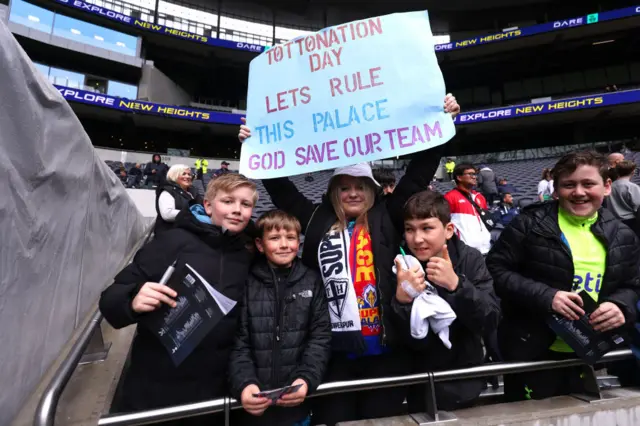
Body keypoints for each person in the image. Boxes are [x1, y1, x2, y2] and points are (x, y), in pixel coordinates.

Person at [238, 94, 460, 426]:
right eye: (344, 187)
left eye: (360, 186)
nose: (353, 193)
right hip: (332, 354)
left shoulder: (389, 215)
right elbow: (281, 189)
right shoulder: (314, 219)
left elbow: (416, 177)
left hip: (386, 352)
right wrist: (256, 148)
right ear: (333, 192)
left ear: (372, 190)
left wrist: (443, 123)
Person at [99, 174, 258, 423]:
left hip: (215, 391)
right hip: (158, 389)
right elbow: (109, 301)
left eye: (246, 204)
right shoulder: (172, 241)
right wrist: (132, 300)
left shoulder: (247, 253)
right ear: (207, 205)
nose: (237, 210)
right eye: (228, 201)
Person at [486, 151, 640, 402]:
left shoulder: (624, 234)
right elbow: (495, 270)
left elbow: (633, 285)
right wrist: (547, 296)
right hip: (531, 350)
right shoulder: (528, 224)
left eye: (588, 184)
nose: (579, 192)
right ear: (556, 190)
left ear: (607, 186)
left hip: (590, 353)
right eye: (569, 185)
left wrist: (621, 305)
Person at [392, 191, 500, 411]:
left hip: (462, 380)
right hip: (416, 382)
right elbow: (398, 336)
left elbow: (490, 319)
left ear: (448, 230)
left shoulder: (470, 258)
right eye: (410, 229)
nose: (417, 238)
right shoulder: (399, 264)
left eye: (427, 228)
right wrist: (402, 303)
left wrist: (457, 285)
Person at [229, 210, 331, 426]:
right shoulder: (246, 281)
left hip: (297, 407)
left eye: (291, 238)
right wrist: (245, 383)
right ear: (260, 244)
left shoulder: (312, 280)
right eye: (275, 238)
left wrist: (305, 379)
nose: (284, 245)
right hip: (252, 407)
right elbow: (238, 342)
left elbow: (320, 338)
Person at [444, 164, 492, 255]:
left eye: (475, 174)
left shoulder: (480, 197)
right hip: (465, 252)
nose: (474, 177)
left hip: (486, 249)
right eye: (470, 174)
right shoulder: (449, 197)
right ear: (459, 177)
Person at [155, 164, 203, 235]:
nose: (188, 176)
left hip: (192, 231)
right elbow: (167, 214)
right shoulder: (167, 191)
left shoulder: (193, 191)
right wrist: (193, 214)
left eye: (189, 174)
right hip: (171, 233)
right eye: (184, 174)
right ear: (174, 176)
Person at [608, 160, 640, 230]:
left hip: (613, 221)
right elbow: (638, 206)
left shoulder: (609, 187)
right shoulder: (632, 187)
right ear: (633, 172)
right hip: (631, 221)